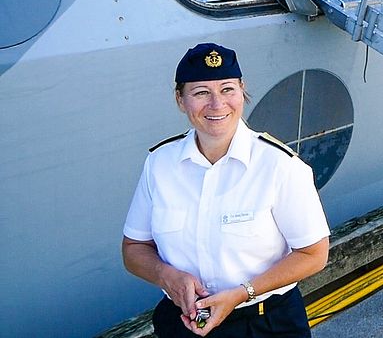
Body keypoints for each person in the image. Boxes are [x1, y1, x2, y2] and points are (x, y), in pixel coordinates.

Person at [122, 43, 330, 337]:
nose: (217, 104)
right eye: (201, 92)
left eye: (227, 89)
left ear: (242, 90)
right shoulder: (160, 164)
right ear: (180, 100)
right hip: (184, 322)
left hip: (264, 324)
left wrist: (242, 293)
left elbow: (314, 254)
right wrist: (166, 276)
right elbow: (133, 248)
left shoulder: (279, 165)